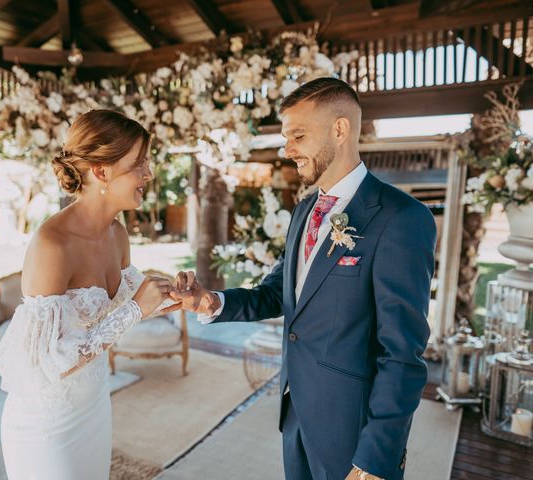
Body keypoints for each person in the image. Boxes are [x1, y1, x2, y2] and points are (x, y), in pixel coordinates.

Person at [174, 78, 436, 480]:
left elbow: (402, 354)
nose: (287, 149)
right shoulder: (305, 211)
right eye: (285, 137)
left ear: (340, 129)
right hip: (295, 413)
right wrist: (212, 302)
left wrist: (376, 457)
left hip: (354, 431)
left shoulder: (401, 218)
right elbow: (280, 292)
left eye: (298, 135)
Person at [0, 110, 178, 480]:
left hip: (93, 403)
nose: (148, 174)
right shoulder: (53, 243)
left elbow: (134, 301)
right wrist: (134, 312)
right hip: (46, 423)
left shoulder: (117, 234)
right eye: (138, 164)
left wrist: (177, 295)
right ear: (101, 170)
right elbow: (51, 358)